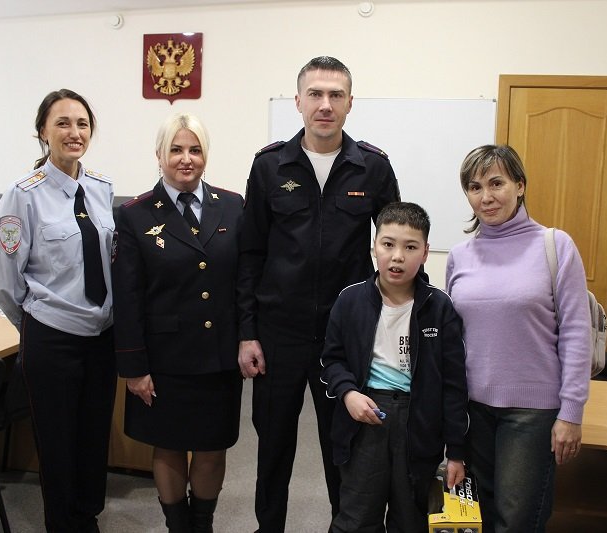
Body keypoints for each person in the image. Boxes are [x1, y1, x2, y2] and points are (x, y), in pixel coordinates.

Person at [237, 55, 400, 532]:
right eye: (315, 94)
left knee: (342, 447)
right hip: (278, 334)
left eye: (335, 95)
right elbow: (250, 255)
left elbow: (397, 246)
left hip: (343, 338)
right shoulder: (270, 166)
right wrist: (247, 333)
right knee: (273, 449)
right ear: (298, 101)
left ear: (350, 103)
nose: (325, 104)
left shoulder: (372, 167)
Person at [445, 144, 592, 533]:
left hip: (531, 412)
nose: (486, 197)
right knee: (479, 516)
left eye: (497, 183)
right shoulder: (460, 256)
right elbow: (454, 339)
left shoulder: (555, 245)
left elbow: (576, 333)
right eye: (475, 187)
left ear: (520, 185)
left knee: (517, 521)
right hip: (474, 409)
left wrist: (571, 412)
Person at [0, 88, 115, 532]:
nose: (74, 132)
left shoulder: (101, 189)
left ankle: (87, 517)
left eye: (82, 123)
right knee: (58, 445)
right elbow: (4, 280)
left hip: (101, 336)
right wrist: (34, 325)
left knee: (94, 437)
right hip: (52, 337)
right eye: (62, 123)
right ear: (43, 131)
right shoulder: (22, 195)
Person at [112, 112, 243, 533]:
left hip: (218, 354)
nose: (186, 159)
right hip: (164, 357)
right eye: (176, 149)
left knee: (212, 446)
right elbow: (127, 296)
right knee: (168, 446)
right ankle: (177, 526)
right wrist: (133, 366)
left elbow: (245, 282)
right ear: (159, 155)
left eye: (195, 150)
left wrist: (247, 339)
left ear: (206, 155)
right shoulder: (134, 214)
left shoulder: (233, 206)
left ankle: (202, 524)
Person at [321, 202, 469, 532]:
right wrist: (348, 394)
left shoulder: (438, 307)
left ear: (425, 252)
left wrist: (457, 452)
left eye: (410, 247)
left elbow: (454, 385)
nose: (397, 256)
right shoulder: (350, 301)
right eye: (388, 244)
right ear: (374, 246)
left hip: (418, 422)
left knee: (411, 517)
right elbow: (332, 359)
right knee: (357, 517)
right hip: (366, 416)